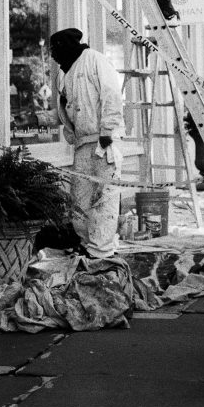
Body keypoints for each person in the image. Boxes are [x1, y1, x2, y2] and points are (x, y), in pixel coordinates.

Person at [49, 28, 124, 259]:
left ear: (67, 45)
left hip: (103, 143)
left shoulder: (95, 60)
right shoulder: (64, 73)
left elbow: (111, 94)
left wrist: (107, 130)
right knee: (79, 198)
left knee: (104, 196)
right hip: (82, 144)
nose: (53, 55)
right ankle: (86, 243)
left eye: (56, 49)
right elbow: (65, 106)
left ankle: (101, 250)